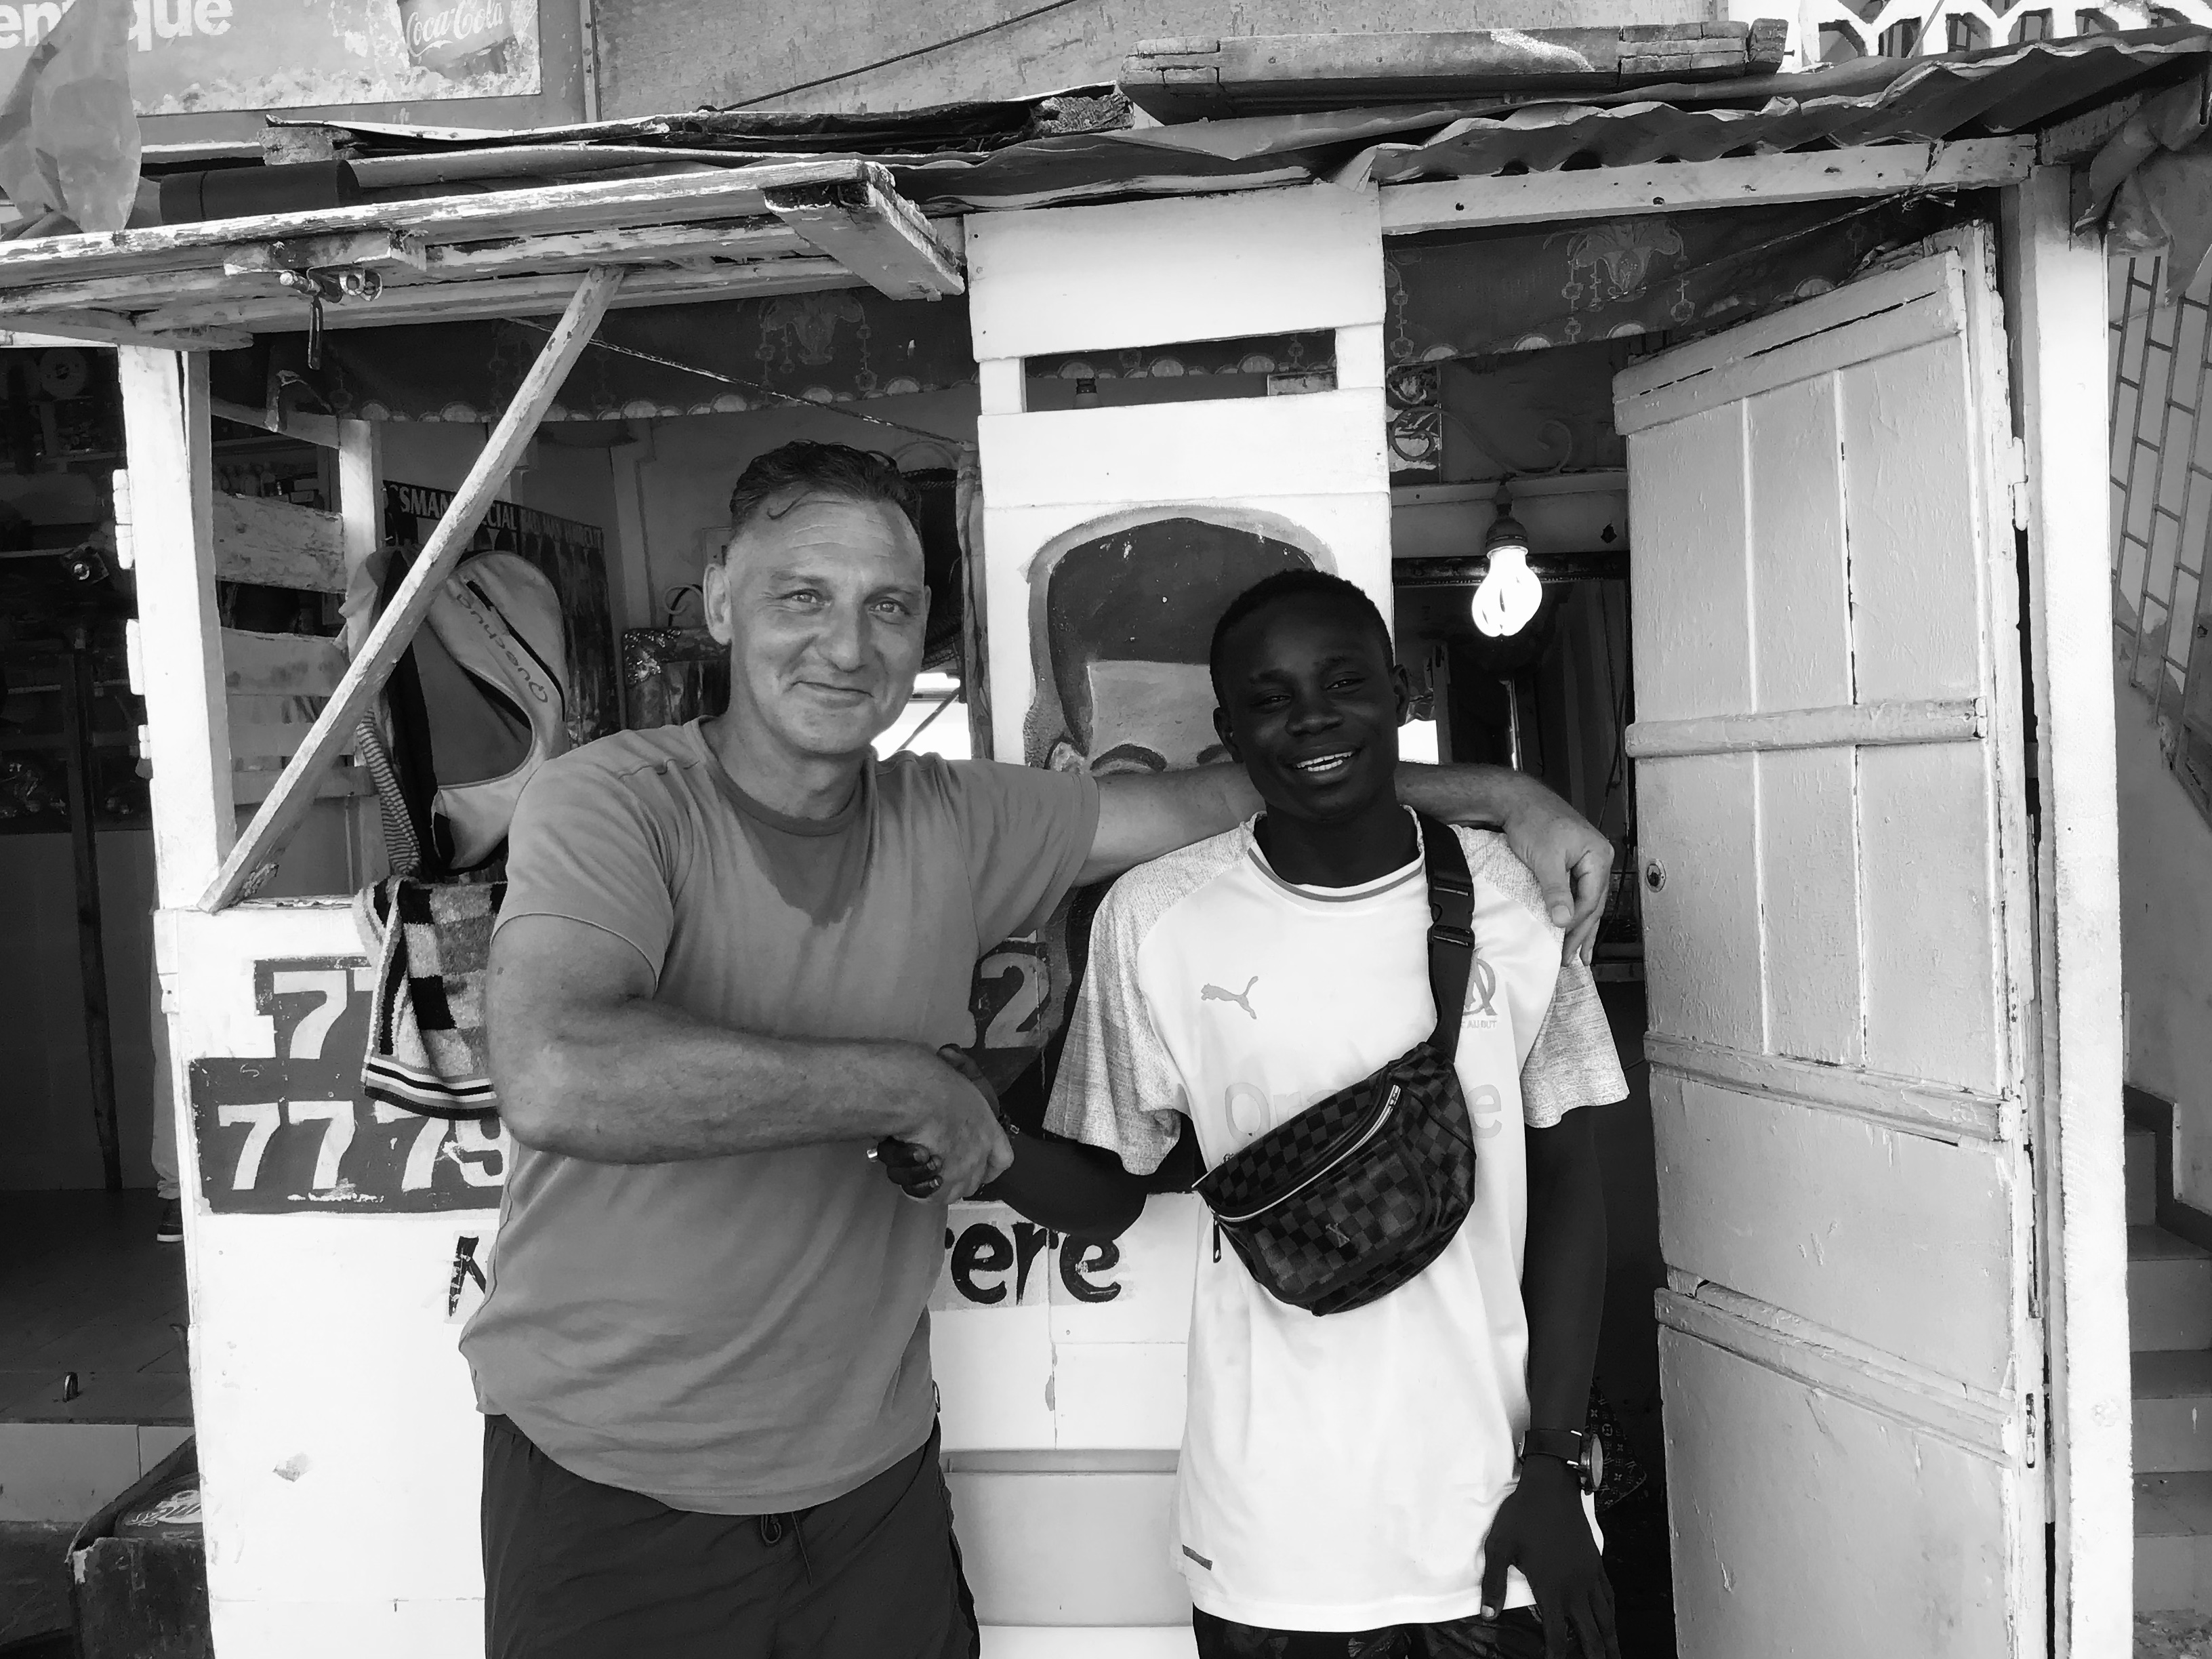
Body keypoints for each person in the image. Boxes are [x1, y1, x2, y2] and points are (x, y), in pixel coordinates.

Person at [472, 441, 1616, 1659]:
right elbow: (554, 1072)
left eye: (888, 607)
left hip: (869, 1483)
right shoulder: (614, 802)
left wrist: (1509, 796)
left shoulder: (955, 820)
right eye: (801, 595)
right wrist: (904, 1088)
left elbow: (1263, 787)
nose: (847, 644)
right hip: (612, 1480)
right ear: (718, 599)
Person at [886, 569, 1629, 1658]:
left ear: (1399, 692)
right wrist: (983, 1148)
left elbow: (1568, 1193)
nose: (1313, 718)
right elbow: (1111, 1192)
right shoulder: (1158, 919)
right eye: (1271, 699)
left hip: (1494, 1507)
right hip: (1270, 1532)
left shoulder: (1520, 902)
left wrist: (1556, 1463)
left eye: (1344, 682)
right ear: (1230, 733)